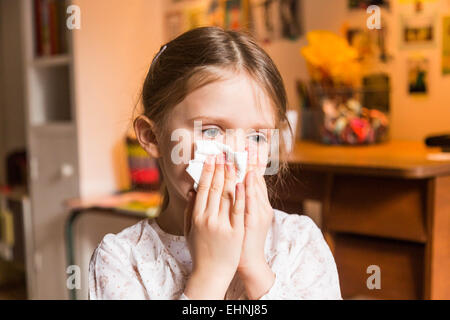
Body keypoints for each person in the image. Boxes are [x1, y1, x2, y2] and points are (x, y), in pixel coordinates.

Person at [88, 26, 342, 300]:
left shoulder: (299, 243)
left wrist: (255, 269)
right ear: (152, 137)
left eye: (256, 136)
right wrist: (210, 275)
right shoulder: (121, 261)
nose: (235, 155)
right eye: (211, 131)